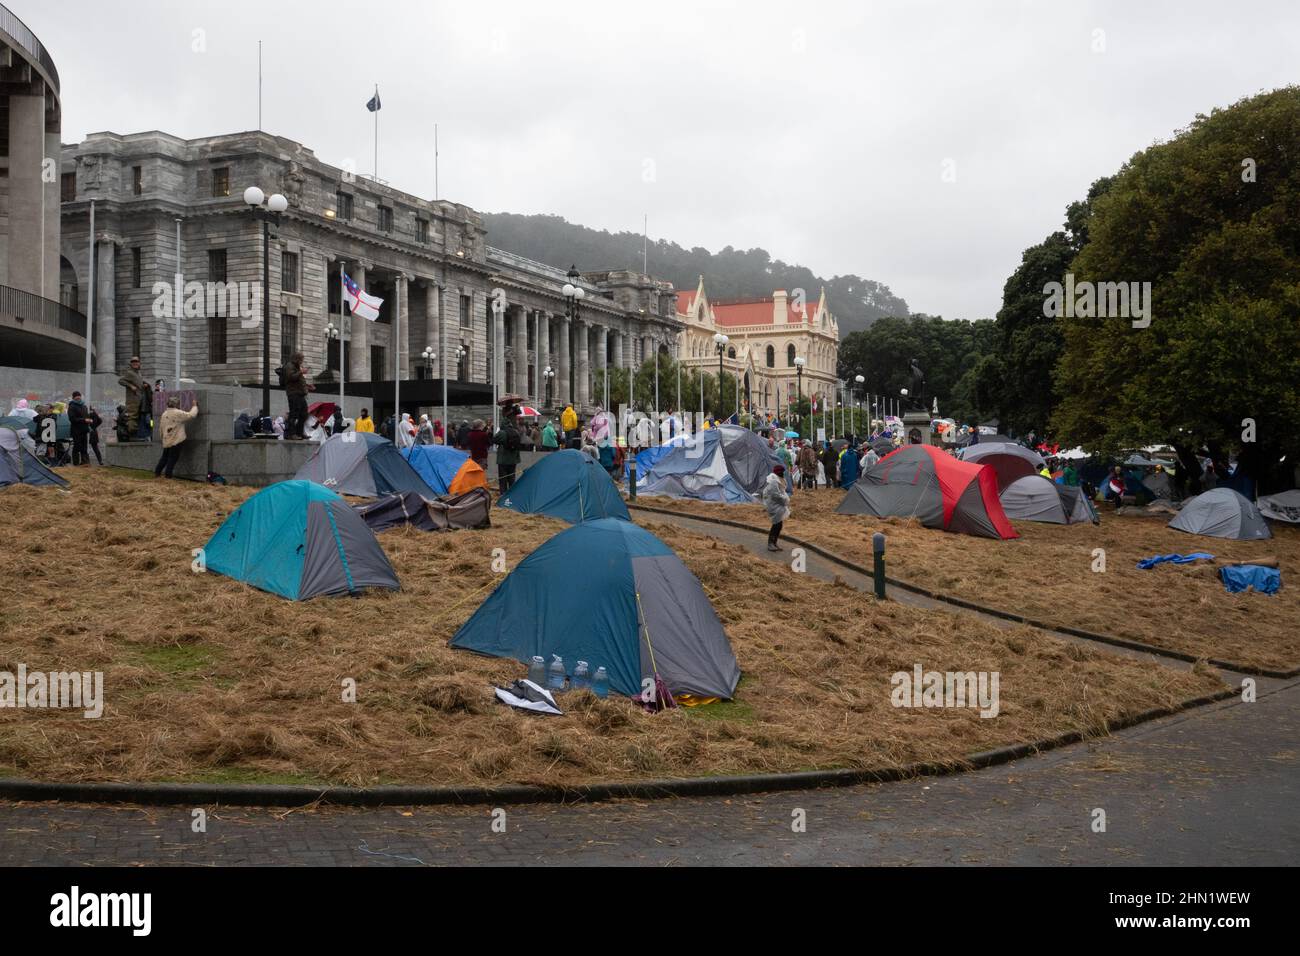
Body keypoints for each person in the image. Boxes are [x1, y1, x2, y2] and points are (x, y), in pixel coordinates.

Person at [155, 397, 199, 479]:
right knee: (172, 458)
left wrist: (163, 438)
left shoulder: (164, 414)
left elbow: (161, 428)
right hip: (176, 439)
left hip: (167, 439)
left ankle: (157, 473)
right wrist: (195, 406)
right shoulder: (177, 413)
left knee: (164, 457)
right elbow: (191, 415)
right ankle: (168, 476)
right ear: (177, 404)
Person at [282, 353, 314, 439]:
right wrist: (301, 372)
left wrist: (307, 386)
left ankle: (299, 432)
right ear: (297, 359)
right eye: (301, 360)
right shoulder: (289, 366)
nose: (302, 362)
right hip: (293, 394)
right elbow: (291, 377)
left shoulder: (296, 366)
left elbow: (298, 381)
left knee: (304, 414)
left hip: (300, 393)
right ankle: (291, 434)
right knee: (294, 414)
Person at [763, 464, 791, 552]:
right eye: (782, 472)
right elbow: (775, 495)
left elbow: (781, 492)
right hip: (774, 505)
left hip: (778, 505)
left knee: (778, 525)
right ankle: (770, 544)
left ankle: (774, 543)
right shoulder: (774, 481)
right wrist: (785, 499)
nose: (783, 473)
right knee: (776, 524)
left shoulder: (779, 480)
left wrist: (784, 499)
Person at [118, 356, 147, 439]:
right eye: (133, 362)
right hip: (132, 400)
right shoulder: (129, 373)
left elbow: (138, 385)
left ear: (139, 363)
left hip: (139, 399)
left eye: (136, 362)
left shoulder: (139, 374)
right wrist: (131, 386)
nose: (135, 363)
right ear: (131, 364)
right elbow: (121, 381)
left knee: (138, 417)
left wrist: (143, 385)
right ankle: (131, 436)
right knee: (132, 417)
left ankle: (137, 435)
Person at [494, 414, 522, 494]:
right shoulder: (516, 432)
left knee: (503, 478)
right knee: (511, 477)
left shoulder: (502, 433)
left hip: (503, 459)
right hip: (513, 459)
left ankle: (503, 494)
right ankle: (511, 493)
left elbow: (494, 440)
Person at [67, 391, 92, 466]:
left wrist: (89, 420)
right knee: (77, 446)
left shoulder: (84, 406)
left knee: (84, 446)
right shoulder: (71, 406)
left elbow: (87, 416)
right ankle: (76, 463)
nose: (78, 397)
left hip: (84, 430)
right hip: (76, 430)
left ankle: (85, 462)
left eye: (79, 396)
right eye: (76, 396)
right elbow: (72, 419)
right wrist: (84, 420)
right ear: (73, 397)